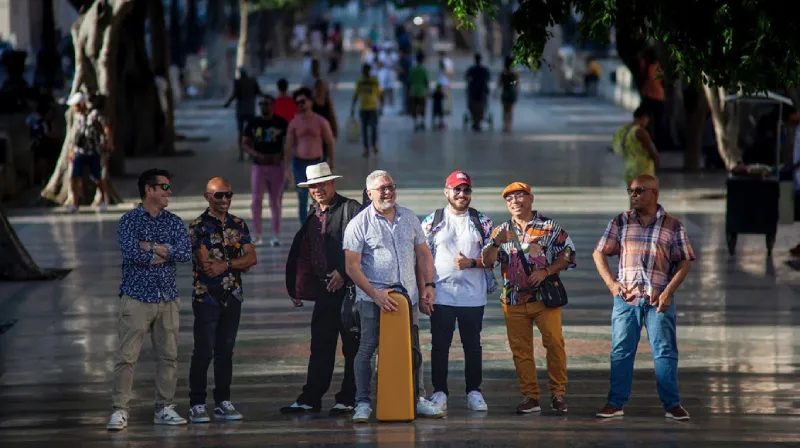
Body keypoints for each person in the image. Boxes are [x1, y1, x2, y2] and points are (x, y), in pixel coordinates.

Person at [343, 170, 443, 423]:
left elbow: (423, 254)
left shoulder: (409, 217)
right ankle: (363, 403)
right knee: (367, 349)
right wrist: (375, 294)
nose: (388, 192)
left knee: (413, 349)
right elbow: (351, 267)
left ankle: (417, 398)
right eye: (382, 188)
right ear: (369, 193)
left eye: (391, 187)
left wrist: (428, 285)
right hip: (372, 299)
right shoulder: (359, 223)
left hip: (407, 299)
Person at [592, 175, 694, 421]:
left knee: (665, 352)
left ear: (654, 194)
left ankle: (672, 405)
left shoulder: (673, 225)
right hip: (626, 299)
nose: (633, 195)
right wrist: (612, 285)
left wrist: (668, 292)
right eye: (631, 191)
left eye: (639, 191)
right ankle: (615, 403)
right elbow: (599, 253)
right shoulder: (621, 221)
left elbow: (684, 261)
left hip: (658, 301)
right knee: (621, 352)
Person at [107, 169, 192, 430]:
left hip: (167, 298)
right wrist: (163, 251)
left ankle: (164, 408)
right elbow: (131, 253)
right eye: (164, 187)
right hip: (136, 297)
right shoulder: (129, 221)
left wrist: (152, 247)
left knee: (169, 357)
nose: (169, 192)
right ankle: (120, 410)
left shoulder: (174, 222)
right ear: (149, 190)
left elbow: (185, 253)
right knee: (127, 357)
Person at [480, 182, 575, 414]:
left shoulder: (549, 227)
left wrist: (547, 271)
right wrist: (496, 242)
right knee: (521, 351)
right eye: (509, 199)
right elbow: (487, 261)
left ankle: (558, 393)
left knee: (554, 344)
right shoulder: (501, 230)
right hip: (513, 301)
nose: (514, 201)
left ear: (531, 199)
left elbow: (568, 254)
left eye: (520, 196)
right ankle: (530, 396)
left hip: (544, 299)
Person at [282, 162, 362, 415]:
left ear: (332, 182)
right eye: (313, 186)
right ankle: (311, 398)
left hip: (350, 292)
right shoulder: (313, 213)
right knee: (320, 347)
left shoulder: (351, 209)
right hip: (324, 291)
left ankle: (349, 398)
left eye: (322, 184)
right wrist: (298, 287)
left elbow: (367, 246)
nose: (317, 189)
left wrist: (344, 272)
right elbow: (306, 252)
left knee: (352, 347)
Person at [420, 171, 496, 412]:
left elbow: (494, 259)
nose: (462, 194)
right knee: (440, 346)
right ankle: (439, 392)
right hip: (441, 294)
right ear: (447, 191)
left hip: (472, 297)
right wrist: (425, 288)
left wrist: (472, 262)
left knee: (472, 346)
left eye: (466, 190)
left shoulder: (482, 222)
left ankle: (474, 391)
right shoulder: (432, 221)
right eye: (457, 189)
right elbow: (421, 257)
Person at [187, 177, 258, 423]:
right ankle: (197, 403)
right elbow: (207, 266)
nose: (225, 199)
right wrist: (237, 263)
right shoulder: (198, 227)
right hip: (206, 298)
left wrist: (226, 263)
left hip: (233, 296)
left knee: (225, 351)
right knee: (203, 351)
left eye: (229, 194)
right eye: (219, 195)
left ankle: (222, 401)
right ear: (207, 197)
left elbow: (251, 258)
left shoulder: (238, 224)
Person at [242, 95, 289, 247]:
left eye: (267, 104)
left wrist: (283, 157)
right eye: (261, 104)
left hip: (276, 166)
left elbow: (289, 143)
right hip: (258, 166)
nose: (264, 106)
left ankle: (275, 235)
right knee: (256, 200)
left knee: (275, 201)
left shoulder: (281, 123)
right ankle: (257, 234)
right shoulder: (252, 123)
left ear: (273, 105)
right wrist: (255, 154)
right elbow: (244, 143)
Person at [284, 87, 336, 223]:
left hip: (316, 163)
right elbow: (288, 146)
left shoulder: (320, 121)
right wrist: (287, 167)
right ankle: (305, 226)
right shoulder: (294, 123)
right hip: (299, 164)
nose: (300, 105)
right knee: (302, 197)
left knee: (318, 197)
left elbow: (330, 142)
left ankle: (319, 224)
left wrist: (331, 163)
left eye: (303, 102)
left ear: (310, 102)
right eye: (298, 103)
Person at [66, 92, 112, 213]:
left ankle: (103, 200)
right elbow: (76, 135)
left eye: (76, 105)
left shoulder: (94, 115)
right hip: (80, 152)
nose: (74, 108)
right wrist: (72, 150)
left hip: (93, 151)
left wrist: (109, 142)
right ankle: (74, 202)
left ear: (81, 104)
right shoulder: (78, 117)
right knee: (74, 177)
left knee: (97, 177)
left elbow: (105, 127)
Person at [612, 107, 660, 185]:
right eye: (647, 118)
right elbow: (651, 150)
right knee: (645, 192)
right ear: (643, 117)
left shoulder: (623, 130)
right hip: (642, 169)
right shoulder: (640, 132)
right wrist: (657, 161)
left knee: (633, 192)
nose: (647, 121)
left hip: (628, 167)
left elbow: (616, 146)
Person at [223, 67, 263, 161]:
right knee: (251, 133)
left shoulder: (237, 82)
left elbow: (235, 95)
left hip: (241, 111)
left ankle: (241, 154)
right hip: (250, 110)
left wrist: (228, 103)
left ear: (240, 73)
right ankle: (251, 154)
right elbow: (259, 93)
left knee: (241, 133)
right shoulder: (252, 81)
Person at [351, 63, 382, 157]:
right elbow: (356, 94)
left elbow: (380, 93)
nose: (365, 72)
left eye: (367, 70)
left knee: (374, 128)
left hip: (373, 107)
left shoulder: (374, 81)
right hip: (363, 108)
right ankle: (366, 148)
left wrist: (381, 105)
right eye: (364, 71)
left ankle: (374, 144)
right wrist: (353, 107)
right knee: (364, 129)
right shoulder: (360, 81)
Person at [465, 53, 491, 131]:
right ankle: (478, 121)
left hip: (473, 90)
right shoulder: (484, 70)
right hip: (482, 91)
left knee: (473, 106)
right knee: (481, 106)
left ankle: (475, 121)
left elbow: (467, 78)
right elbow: (488, 79)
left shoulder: (471, 69)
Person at [497, 57, 519, 133]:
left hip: (505, 92)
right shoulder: (514, 73)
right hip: (512, 92)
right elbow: (517, 83)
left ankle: (505, 125)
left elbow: (499, 84)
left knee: (505, 109)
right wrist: (512, 83)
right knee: (510, 109)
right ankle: (509, 126)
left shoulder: (503, 73)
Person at [408, 52, 430, 131]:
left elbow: (410, 81)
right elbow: (426, 82)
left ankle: (415, 123)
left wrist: (409, 90)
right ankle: (422, 122)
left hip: (414, 91)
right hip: (422, 91)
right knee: (422, 107)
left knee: (414, 108)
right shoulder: (424, 70)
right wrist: (427, 91)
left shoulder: (413, 69)